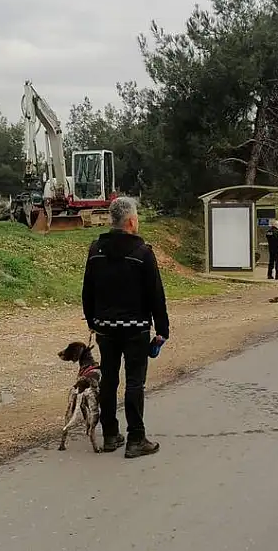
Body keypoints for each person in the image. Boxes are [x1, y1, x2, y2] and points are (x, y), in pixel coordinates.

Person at [82, 196, 170, 459]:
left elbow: (88, 291)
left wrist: (93, 322)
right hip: (136, 329)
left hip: (105, 330)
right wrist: (162, 328)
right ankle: (136, 438)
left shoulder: (96, 249)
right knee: (134, 382)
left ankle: (110, 434)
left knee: (109, 378)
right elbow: (156, 294)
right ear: (132, 221)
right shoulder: (143, 253)